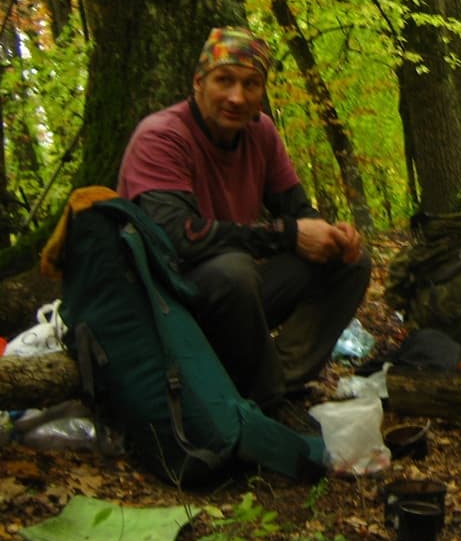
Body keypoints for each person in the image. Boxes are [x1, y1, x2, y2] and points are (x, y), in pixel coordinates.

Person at [117, 27, 371, 424]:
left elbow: (297, 208)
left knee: (347, 262)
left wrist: (332, 234)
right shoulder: (163, 137)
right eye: (225, 80)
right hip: (170, 307)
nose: (237, 97)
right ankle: (264, 401)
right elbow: (175, 237)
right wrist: (289, 234)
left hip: (234, 302)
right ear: (199, 83)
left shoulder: (261, 133)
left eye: (251, 84)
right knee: (233, 270)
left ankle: (274, 383)